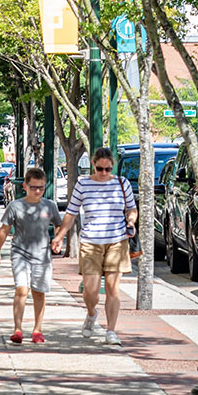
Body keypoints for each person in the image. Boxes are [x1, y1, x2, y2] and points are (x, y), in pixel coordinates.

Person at [50, 146, 137, 346]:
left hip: (117, 240)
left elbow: (132, 208)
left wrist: (131, 220)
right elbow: (71, 214)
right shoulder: (83, 185)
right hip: (90, 242)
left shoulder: (122, 184)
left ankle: (111, 331)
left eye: (108, 169)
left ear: (112, 166)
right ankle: (91, 313)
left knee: (113, 289)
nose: (104, 173)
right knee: (91, 290)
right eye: (100, 169)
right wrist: (59, 237)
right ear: (93, 165)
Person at [0, 167, 62, 344]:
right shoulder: (15, 206)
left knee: (39, 292)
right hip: (20, 253)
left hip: (42, 255)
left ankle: (37, 330)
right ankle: (18, 329)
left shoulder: (50, 205)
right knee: (21, 289)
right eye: (33, 187)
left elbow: (59, 225)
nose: (37, 191)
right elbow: (4, 230)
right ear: (25, 186)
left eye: (41, 187)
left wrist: (58, 240)